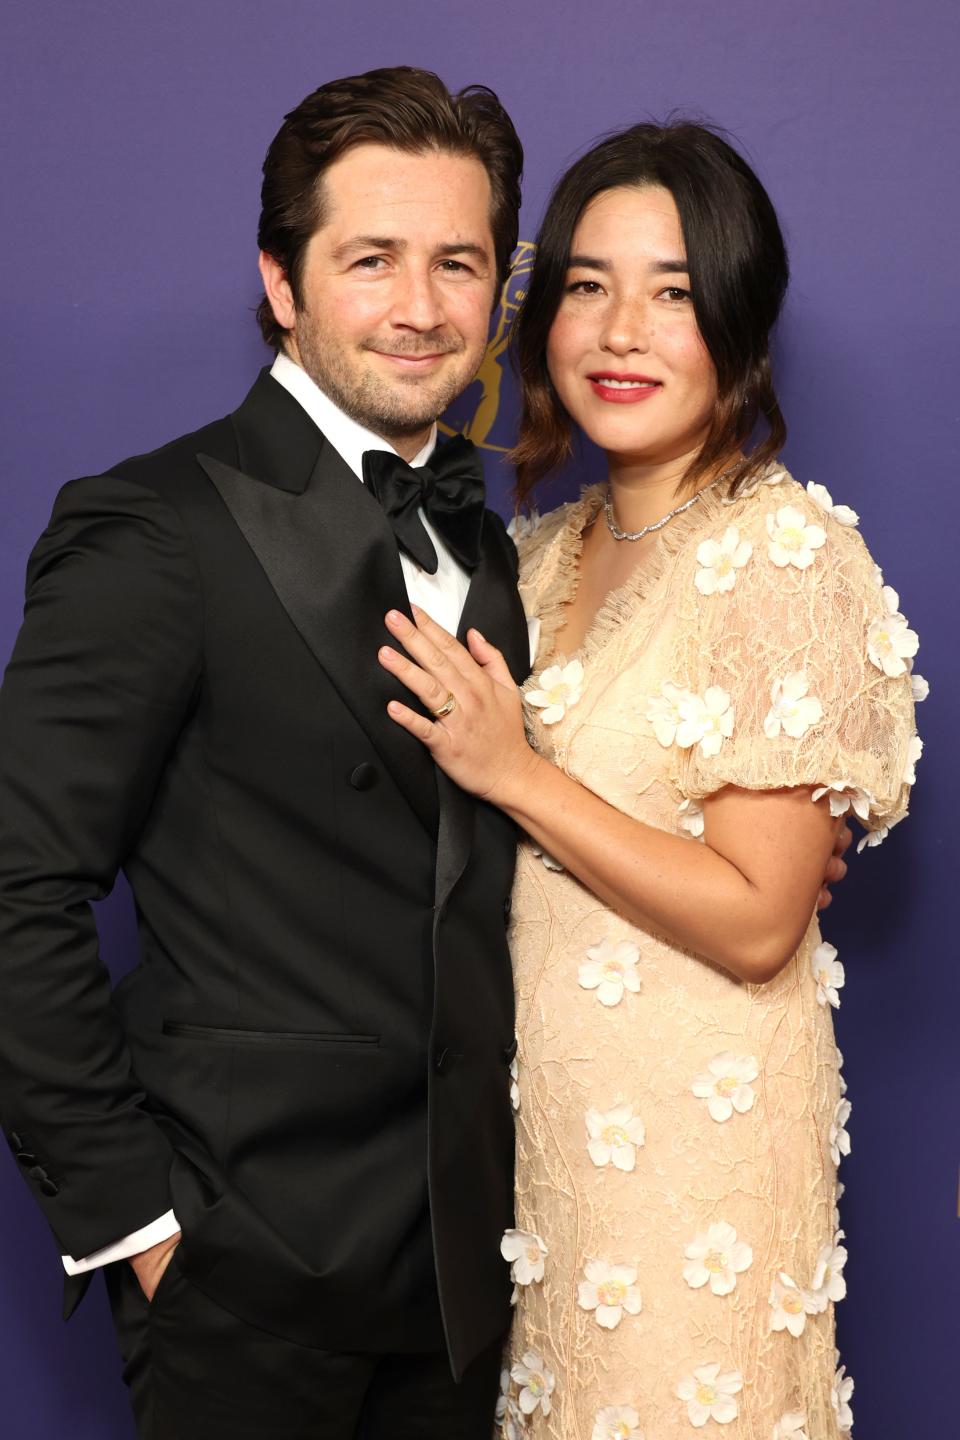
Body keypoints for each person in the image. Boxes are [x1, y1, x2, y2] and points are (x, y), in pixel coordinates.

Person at [0, 66, 532, 1439]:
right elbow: (17, 884)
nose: (420, 308)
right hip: (247, 1282)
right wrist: (139, 1228)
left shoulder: (490, 549)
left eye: (457, 263)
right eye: (371, 260)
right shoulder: (154, 527)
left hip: (472, 1277)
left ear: (497, 292)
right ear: (283, 284)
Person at [378, 122, 922, 1437]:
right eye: (588, 286)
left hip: (696, 1184)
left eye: (672, 293)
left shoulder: (785, 556)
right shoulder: (540, 555)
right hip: (556, 1182)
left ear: (737, 319)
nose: (622, 330)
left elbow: (755, 920)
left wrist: (518, 776)